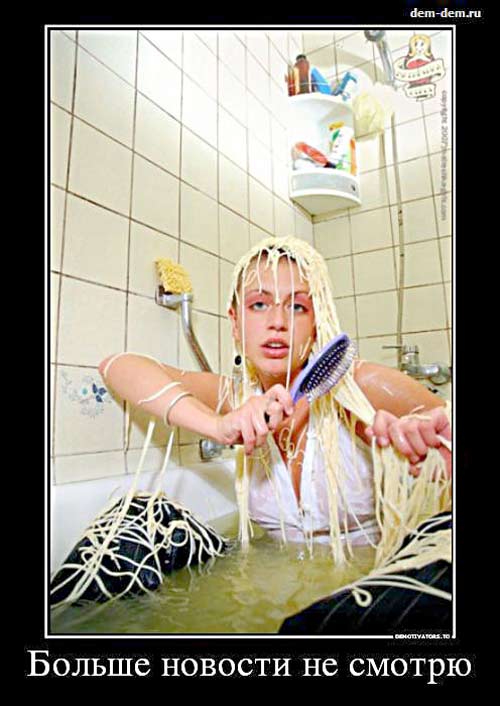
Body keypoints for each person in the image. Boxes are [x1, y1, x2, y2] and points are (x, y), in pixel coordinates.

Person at [99, 236, 451, 552]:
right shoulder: (236, 397)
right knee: (133, 522)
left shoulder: (357, 387)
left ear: (317, 323)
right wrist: (218, 426)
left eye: (297, 307)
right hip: (275, 586)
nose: (278, 322)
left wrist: (431, 454)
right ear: (235, 323)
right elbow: (117, 365)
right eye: (259, 305)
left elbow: (446, 432)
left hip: (368, 585)